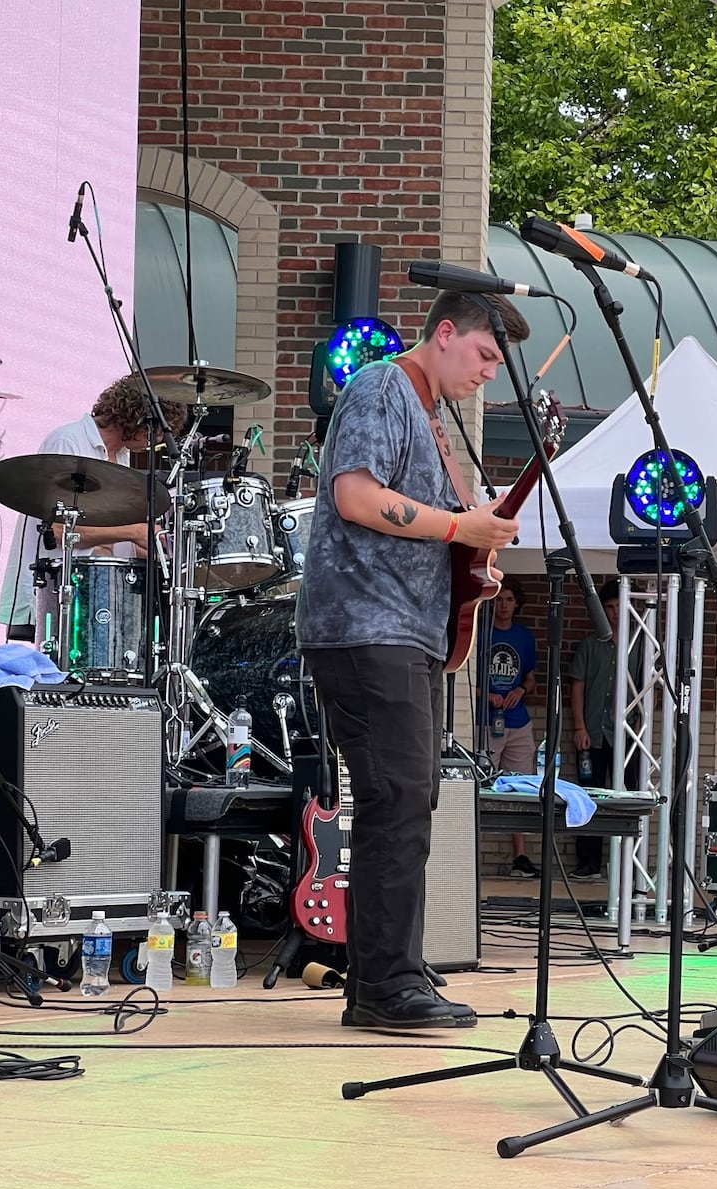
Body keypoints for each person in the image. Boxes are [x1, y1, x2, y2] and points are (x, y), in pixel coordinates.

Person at [297, 289, 525, 1030]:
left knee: (408, 803)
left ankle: (389, 971)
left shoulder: (428, 415)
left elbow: (437, 531)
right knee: (397, 803)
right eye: (486, 355)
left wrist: (473, 557)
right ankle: (384, 986)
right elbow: (358, 497)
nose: (490, 373)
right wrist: (463, 524)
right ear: (447, 332)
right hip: (367, 628)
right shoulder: (380, 386)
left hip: (406, 632)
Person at [0, 375, 189, 637]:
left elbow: (106, 533)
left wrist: (158, 554)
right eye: (154, 431)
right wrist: (134, 531)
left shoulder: (121, 456)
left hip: (95, 592)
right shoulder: (68, 441)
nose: (153, 441)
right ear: (135, 418)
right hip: (54, 592)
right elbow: (59, 531)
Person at [567, 579, 633, 882]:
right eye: (610, 607)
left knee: (628, 796)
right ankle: (589, 862)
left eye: (621, 606)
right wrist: (579, 726)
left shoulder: (640, 644)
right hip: (592, 732)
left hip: (628, 737)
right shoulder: (591, 645)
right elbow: (577, 687)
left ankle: (629, 864)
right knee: (588, 795)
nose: (616, 613)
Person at [478, 577, 540, 878]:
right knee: (481, 782)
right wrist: (485, 694)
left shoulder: (523, 635)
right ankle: (472, 848)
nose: (504, 605)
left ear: (517, 604)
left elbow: (530, 677)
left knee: (520, 786)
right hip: (486, 721)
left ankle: (521, 856)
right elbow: (468, 677)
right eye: (499, 599)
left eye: (509, 600)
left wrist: (521, 691)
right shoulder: (481, 634)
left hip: (517, 721)